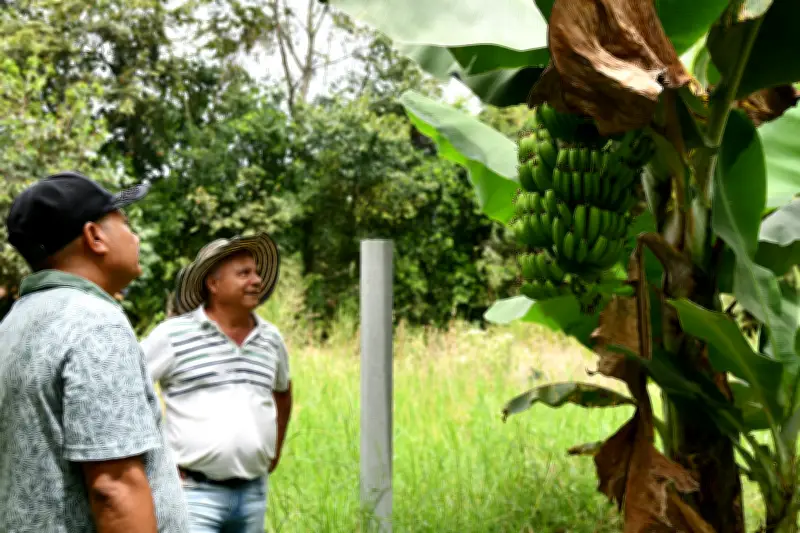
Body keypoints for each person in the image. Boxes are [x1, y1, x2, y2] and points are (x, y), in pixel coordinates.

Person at [0, 171, 189, 533]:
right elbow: (113, 489)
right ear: (95, 237)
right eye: (126, 223)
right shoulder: (94, 323)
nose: (135, 237)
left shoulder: (13, 324)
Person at [141, 234, 293, 533]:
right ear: (213, 284)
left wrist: (274, 451)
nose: (256, 280)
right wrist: (154, 458)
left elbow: (283, 392)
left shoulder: (271, 339)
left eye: (257, 272)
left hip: (253, 492)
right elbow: (128, 387)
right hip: (193, 493)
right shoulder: (174, 335)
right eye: (244, 273)